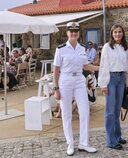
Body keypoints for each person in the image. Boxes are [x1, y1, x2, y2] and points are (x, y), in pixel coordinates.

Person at [53, 22, 98, 156]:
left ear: (79, 33)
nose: (73, 33)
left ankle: (84, 143)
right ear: (67, 33)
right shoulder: (60, 49)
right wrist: (56, 89)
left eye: (76, 31)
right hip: (65, 80)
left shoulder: (82, 48)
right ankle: (70, 143)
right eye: (71, 31)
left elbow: (86, 66)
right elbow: (56, 70)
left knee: (84, 112)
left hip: (79, 80)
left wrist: (102, 67)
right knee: (66, 114)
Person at [98, 24, 128, 150]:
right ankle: (111, 140)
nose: (117, 34)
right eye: (115, 32)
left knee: (117, 110)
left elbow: (126, 64)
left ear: (123, 33)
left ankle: (117, 136)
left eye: (120, 32)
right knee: (110, 111)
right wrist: (103, 84)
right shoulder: (107, 47)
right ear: (112, 34)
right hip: (110, 79)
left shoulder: (124, 47)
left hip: (121, 79)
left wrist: (126, 81)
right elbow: (103, 65)